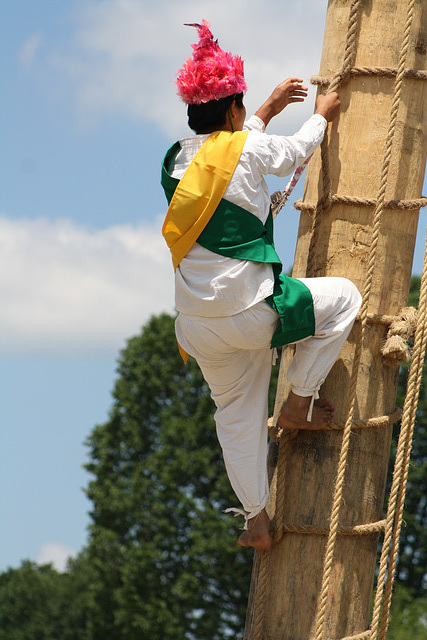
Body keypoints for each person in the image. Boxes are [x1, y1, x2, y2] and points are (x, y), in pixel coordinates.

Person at [161, 21, 362, 550]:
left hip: (197, 327)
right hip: (250, 312)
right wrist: (321, 116)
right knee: (345, 299)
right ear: (232, 111)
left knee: (235, 416)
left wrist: (266, 110)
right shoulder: (246, 150)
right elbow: (290, 154)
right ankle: (299, 400)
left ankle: (256, 520)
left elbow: (227, 155)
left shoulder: (177, 161)